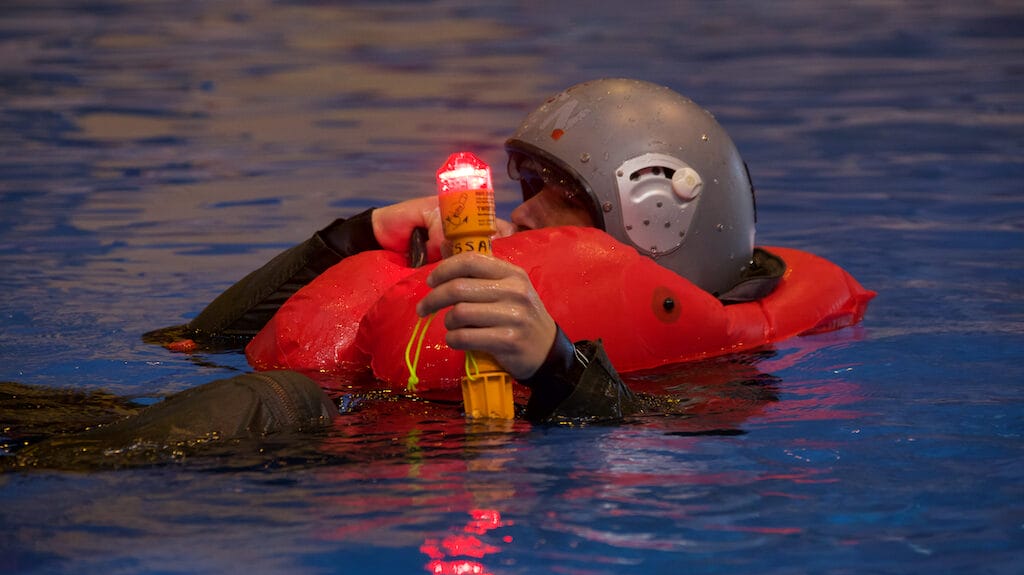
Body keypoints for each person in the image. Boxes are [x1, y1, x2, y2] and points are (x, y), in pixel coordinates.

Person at [8, 79, 786, 469]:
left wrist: (556, 363)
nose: (528, 215)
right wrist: (352, 236)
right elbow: (194, 339)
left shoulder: (726, 377)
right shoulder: (463, 274)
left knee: (278, 401)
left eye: (568, 199)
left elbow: (650, 446)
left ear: (656, 224)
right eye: (531, 187)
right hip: (292, 423)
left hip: (359, 463)